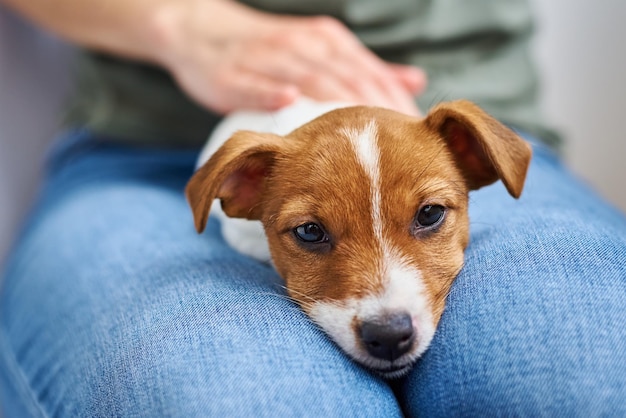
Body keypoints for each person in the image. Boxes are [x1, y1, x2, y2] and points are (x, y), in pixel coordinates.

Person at [0, 0, 624, 416]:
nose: (386, 310)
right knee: (230, 394)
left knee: (567, 372)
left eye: (430, 217)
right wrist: (184, 26)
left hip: (437, 119)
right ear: (236, 192)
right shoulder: (249, 176)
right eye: (312, 234)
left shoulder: (460, 146)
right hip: (141, 147)